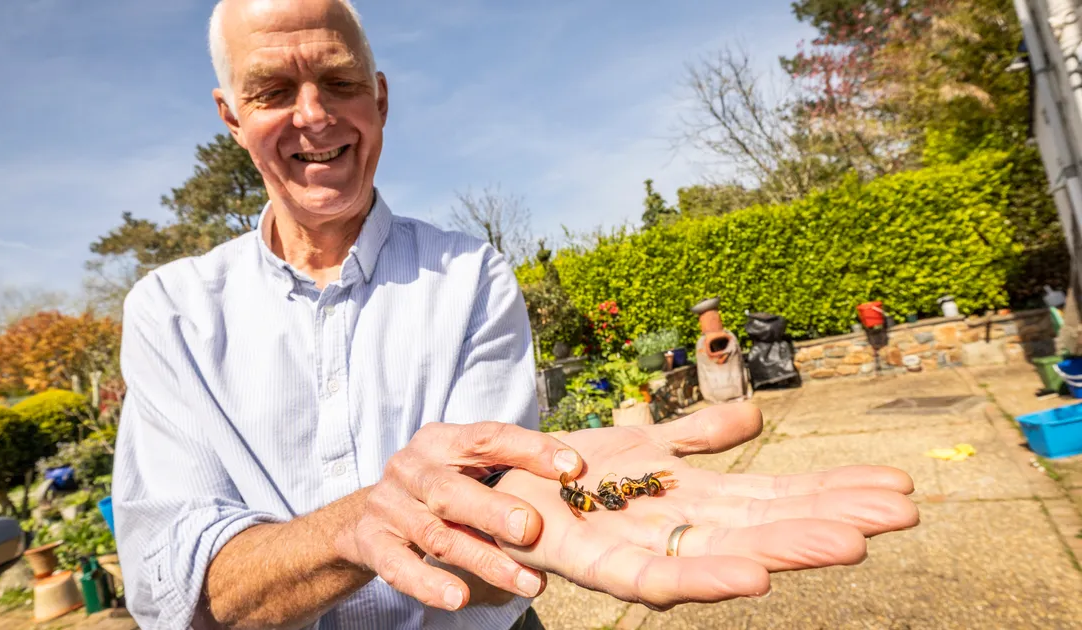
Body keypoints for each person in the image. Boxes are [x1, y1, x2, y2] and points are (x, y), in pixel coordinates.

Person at [110, 0, 921, 628]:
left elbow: (494, 513)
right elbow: (173, 589)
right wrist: (359, 525)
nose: (314, 115)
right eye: (273, 91)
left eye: (341, 82)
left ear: (380, 98)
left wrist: (556, 499)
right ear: (232, 117)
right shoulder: (170, 314)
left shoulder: (469, 276)